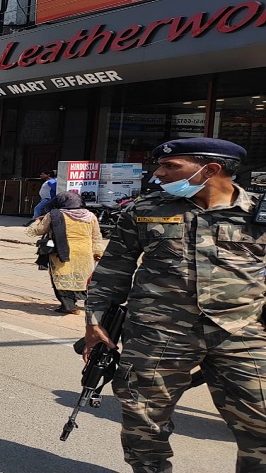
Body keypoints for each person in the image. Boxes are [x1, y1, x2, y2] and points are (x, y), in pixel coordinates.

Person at [84, 137, 266, 473]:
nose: (159, 173)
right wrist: (94, 320)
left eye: (171, 166)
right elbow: (113, 268)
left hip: (241, 333)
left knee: (260, 423)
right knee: (144, 421)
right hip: (157, 333)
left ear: (211, 170)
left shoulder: (259, 213)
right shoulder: (145, 210)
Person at [26, 191, 103, 314]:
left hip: (61, 252)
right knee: (81, 278)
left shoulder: (53, 215)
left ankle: (68, 306)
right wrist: (98, 252)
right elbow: (96, 236)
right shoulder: (90, 216)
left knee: (62, 278)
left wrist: (37, 220)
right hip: (84, 253)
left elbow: (36, 231)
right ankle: (80, 302)